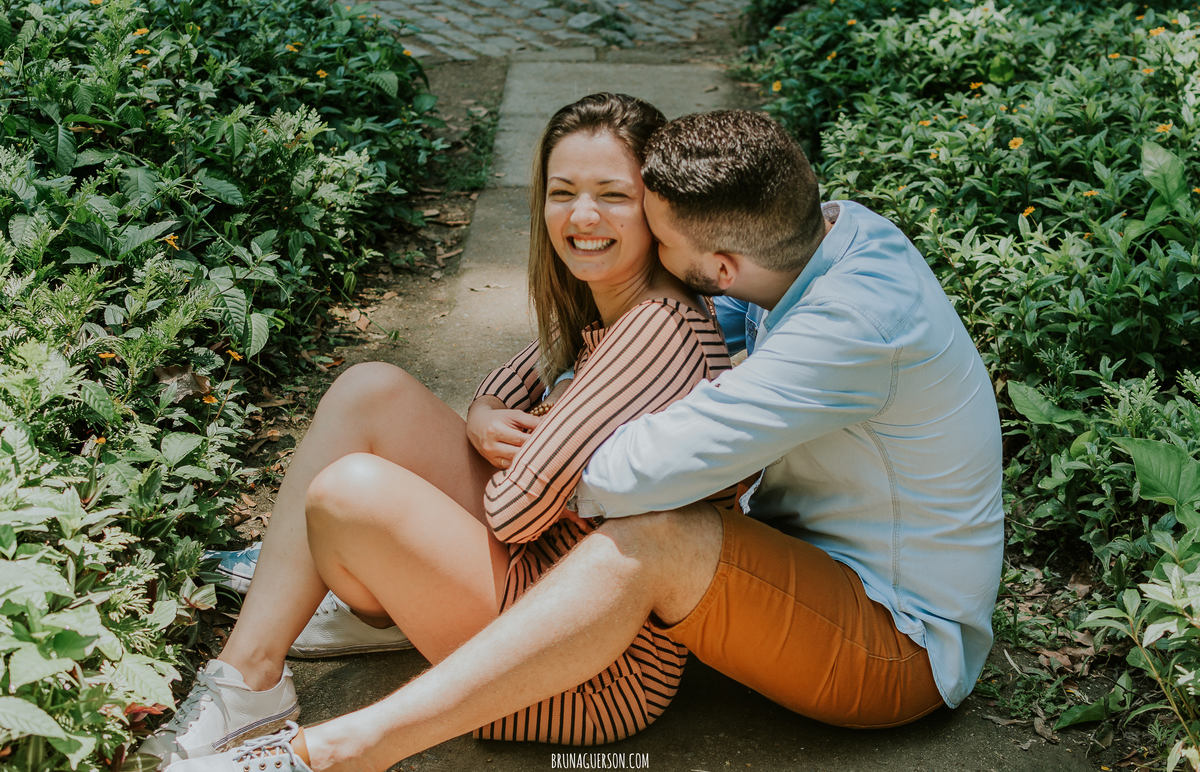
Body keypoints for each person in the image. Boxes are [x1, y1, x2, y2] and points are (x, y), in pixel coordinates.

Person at [164, 109, 1004, 772]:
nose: (618, 235)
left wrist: (567, 423)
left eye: (654, 230)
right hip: (788, 565)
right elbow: (653, 339)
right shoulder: (822, 232)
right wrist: (510, 405)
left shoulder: (850, 330)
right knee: (370, 392)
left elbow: (623, 474)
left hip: (896, 645)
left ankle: (346, 752)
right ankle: (248, 683)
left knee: (659, 535)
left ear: (715, 264)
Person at [139, 92, 736, 769]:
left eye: (613, 195)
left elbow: (515, 513)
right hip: (548, 576)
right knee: (371, 392)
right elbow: (506, 386)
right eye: (563, 191)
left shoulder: (657, 331)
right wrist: (493, 422)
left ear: (656, 207)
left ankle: (291, 645)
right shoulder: (610, 304)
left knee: (351, 495)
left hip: (588, 667)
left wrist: (504, 466)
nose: (583, 215)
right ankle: (247, 681)